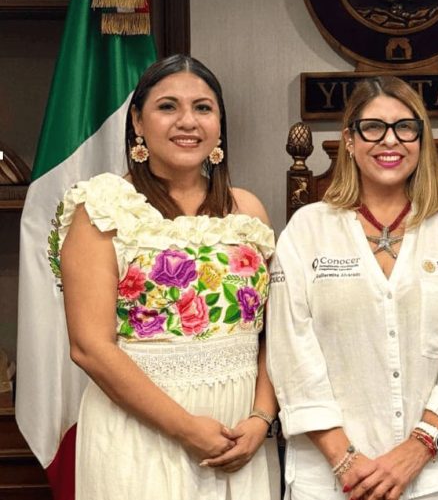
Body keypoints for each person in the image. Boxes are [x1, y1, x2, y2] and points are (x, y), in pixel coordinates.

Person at [267, 75, 438, 500]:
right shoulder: (307, 229)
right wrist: (346, 460)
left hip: (432, 475)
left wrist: (418, 447)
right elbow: (290, 352)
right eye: (372, 127)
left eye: (405, 127)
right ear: (349, 140)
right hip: (329, 479)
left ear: (421, 138)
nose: (389, 140)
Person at [58, 55, 279, 499]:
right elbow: (90, 348)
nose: (188, 121)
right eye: (167, 106)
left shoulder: (248, 211)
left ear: (219, 126)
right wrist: (187, 429)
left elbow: (274, 335)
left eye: (203, 108)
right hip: (141, 436)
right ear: (137, 121)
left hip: (241, 438)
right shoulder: (102, 209)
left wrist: (261, 418)